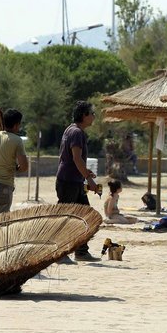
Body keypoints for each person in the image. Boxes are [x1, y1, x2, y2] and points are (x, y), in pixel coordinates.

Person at [56, 101, 102, 261]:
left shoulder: (71, 130)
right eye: (92, 113)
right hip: (69, 181)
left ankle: (81, 251)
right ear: (84, 115)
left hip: (72, 180)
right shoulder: (77, 133)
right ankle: (60, 253)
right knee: (66, 218)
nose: (94, 117)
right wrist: (89, 180)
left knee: (84, 216)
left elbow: (73, 159)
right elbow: (76, 157)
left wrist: (85, 173)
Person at [0, 108, 29, 215]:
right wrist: (16, 168)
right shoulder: (17, 140)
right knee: (1, 221)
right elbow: (24, 166)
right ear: (16, 125)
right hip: (3, 185)